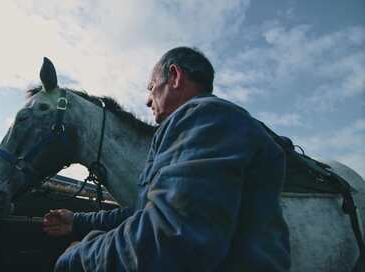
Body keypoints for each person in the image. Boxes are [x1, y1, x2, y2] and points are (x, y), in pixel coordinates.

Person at [43, 47, 291, 271]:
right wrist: (78, 221)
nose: (148, 99)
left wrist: (77, 256)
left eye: (151, 87)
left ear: (175, 76)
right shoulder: (199, 125)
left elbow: (171, 238)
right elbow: (144, 213)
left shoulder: (206, 118)